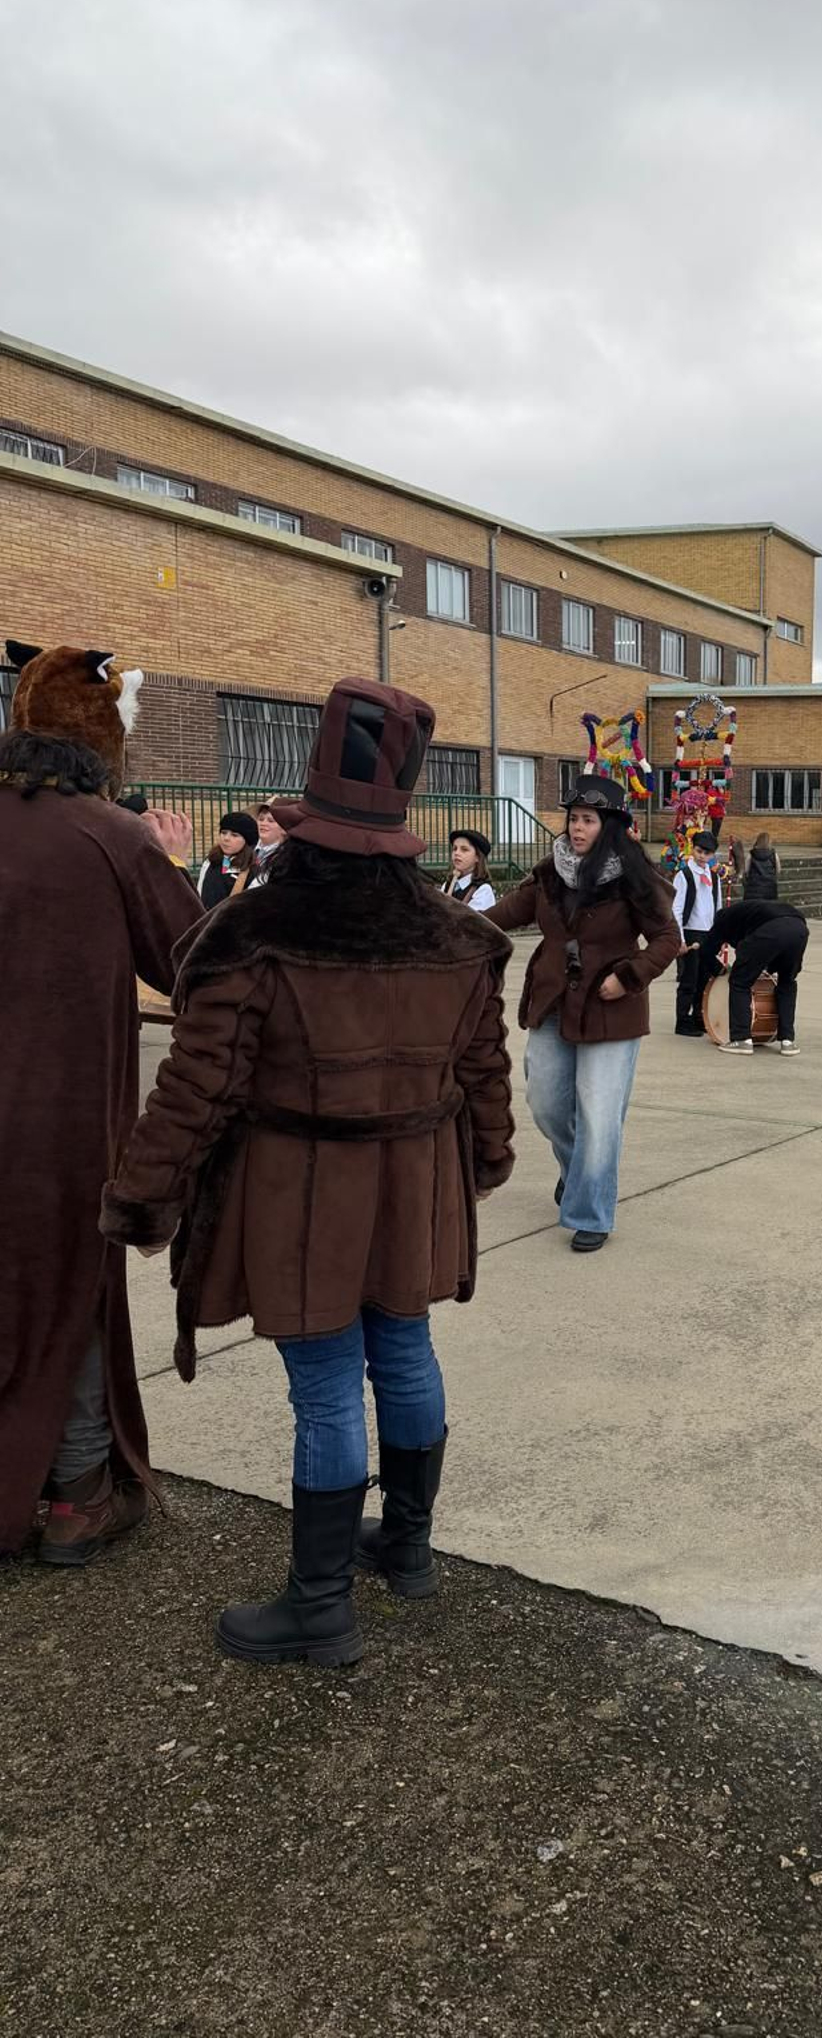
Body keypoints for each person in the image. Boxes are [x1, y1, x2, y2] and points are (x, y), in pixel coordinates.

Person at [101, 677, 515, 1661]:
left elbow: (194, 1088)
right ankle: (406, 1553)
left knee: (329, 1388)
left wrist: (139, 1200)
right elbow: (484, 1077)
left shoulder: (254, 934)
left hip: (302, 1199)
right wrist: (487, 1160)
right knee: (404, 1350)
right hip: (412, 1188)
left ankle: (320, 1607)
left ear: (307, 825)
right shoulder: (459, 939)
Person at [0, 639, 200, 1566]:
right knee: (64, 1288)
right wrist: (173, 869)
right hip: (58, 1125)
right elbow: (201, 965)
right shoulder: (112, 833)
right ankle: (77, 1492)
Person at [489, 775, 678, 1251]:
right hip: (554, 1002)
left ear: (609, 825)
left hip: (611, 1007)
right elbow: (505, 913)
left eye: (588, 820)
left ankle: (590, 1211)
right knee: (546, 1104)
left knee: (598, 1113)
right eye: (573, 819)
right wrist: (444, 916)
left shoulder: (635, 875)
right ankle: (579, 1174)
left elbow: (666, 939)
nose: (577, 829)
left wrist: (629, 976)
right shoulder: (551, 873)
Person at [700, 898, 809, 1055]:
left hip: (771, 931)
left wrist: (720, 971)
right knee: (787, 982)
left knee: (739, 982)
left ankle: (741, 1039)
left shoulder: (722, 919)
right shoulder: (751, 910)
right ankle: (788, 1041)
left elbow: (706, 951)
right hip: (799, 930)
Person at [669, 832, 723, 1033]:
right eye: (699, 851)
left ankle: (699, 1017)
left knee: (704, 980)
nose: (702, 856)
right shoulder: (684, 875)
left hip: (707, 934)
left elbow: (717, 907)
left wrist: (719, 935)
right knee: (688, 980)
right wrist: (680, 938)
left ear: (712, 855)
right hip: (690, 932)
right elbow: (676, 908)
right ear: (693, 849)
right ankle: (682, 1021)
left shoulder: (714, 876)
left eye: (707, 853)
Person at [198, 810, 260, 908]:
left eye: (234, 835)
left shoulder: (253, 871)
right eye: (223, 832)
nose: (226, 838)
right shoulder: (210, 861)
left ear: (247, 840)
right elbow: (199, 891)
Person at [442, 828, 496, 912]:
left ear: (477, 857)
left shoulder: (483, 890)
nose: (457, 853)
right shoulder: (446, 885)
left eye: (464, 849)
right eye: (455, 849)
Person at [249, 801, 288, 886]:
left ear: (284, 829)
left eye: (271, 821)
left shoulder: (285, 856)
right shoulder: (248, 848)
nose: (263, 823)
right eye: (261, 819)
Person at [743, 831, 781, 902]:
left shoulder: (751, 854)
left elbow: (746, 871)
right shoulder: (774, 854)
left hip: (753, 890)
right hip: (770, 890)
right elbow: (778, 870)